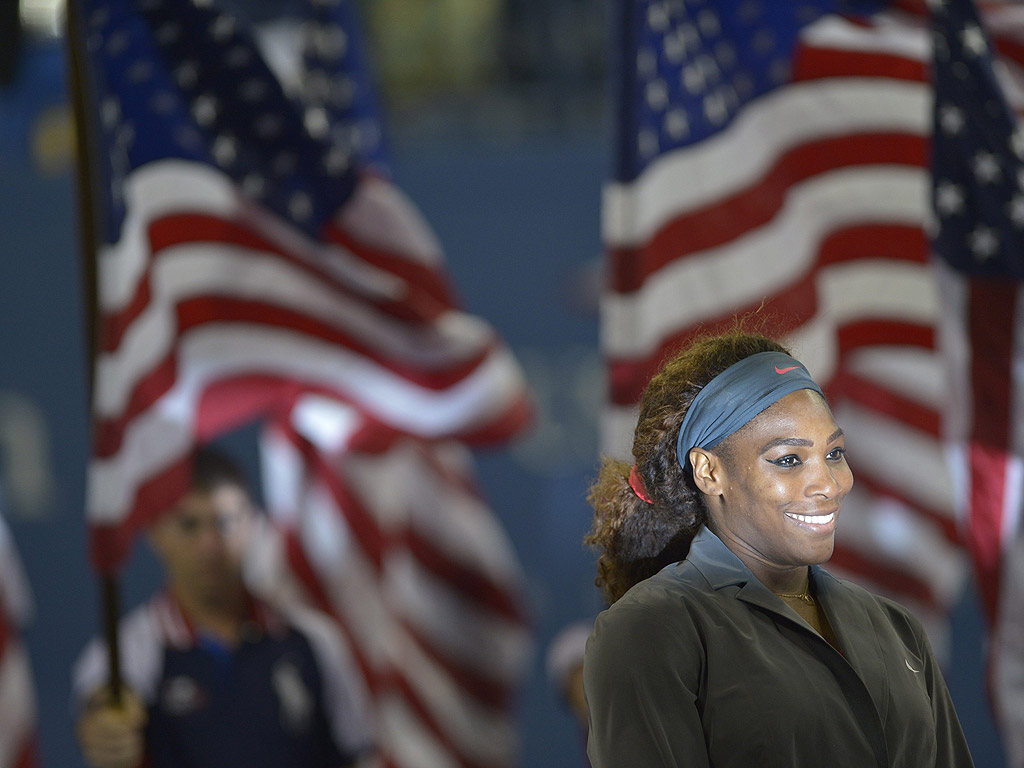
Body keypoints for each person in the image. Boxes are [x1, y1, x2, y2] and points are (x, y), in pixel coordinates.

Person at [582, 327, 974, 768]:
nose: (829, 484)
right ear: (709, 471)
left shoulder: (899, 629)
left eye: (835, 453)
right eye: (788, 459)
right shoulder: (649, 630)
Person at [73, 447, 375, 768]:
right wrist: (106, 731)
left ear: (253, 525)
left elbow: (358, 753)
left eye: (224, 522)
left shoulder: (314, 643)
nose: (209, 545)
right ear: (156, 532)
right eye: (188, 525)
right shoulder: (127, 654)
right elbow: (104, 717)